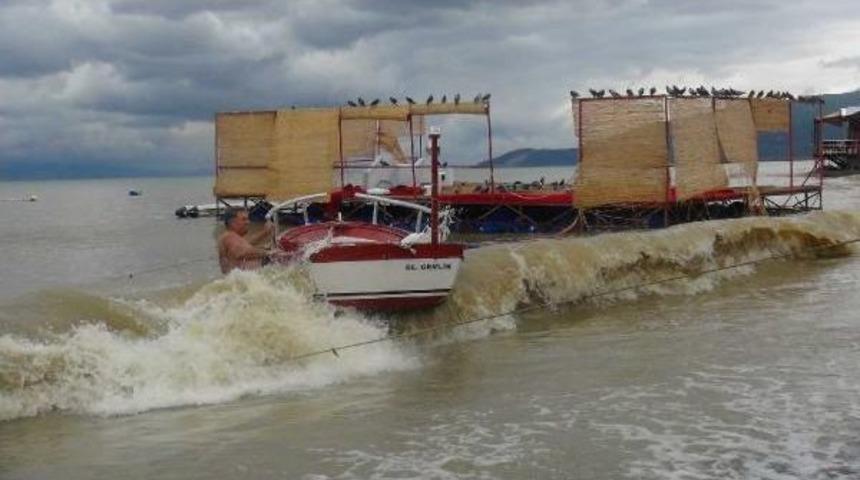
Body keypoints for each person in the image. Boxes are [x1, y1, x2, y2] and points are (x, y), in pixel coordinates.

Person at [217, 208, 274, 274]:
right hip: (243, 280)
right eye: (244, 219)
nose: (248, 222)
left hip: (242, 280)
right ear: (232, 223)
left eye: (247, 219)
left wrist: (265, 232)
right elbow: (240, 252)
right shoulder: (229, 237)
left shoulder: (231, 238)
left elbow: (246, 244)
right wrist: (269, 253)